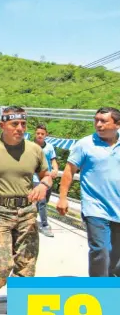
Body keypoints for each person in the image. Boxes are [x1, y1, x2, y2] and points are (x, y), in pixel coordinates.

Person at [0, 106, 51, 314]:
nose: (20, 128)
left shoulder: (34, 149)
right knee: (1, 264)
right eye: (15, 124)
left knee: (26, 266)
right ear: (2, 125)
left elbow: (47, 174)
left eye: (23, 124)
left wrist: (43, 185)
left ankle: (18, 306)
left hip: (27, 213)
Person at [57, 107, 120, 277]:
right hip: (95, 208)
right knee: (101, 250)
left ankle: (113, 293)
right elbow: (69, 171)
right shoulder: (85, 144)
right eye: (96, 120)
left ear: (117, 124)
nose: (98, 124)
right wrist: (63, 198)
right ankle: (98, 292)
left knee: (117, 258)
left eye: (103, 121)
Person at [33, 124, 59, 237]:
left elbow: (53, 161)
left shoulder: (49, 147)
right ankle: (45, 225)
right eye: (38, 133)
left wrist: (55, 169)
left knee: (44, 201)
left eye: (42, 134)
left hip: (47, 178)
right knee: (42, 201)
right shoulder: (31, 146)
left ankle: (31, 219)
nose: (40, 135)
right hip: (34, 177)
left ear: (46, 135)